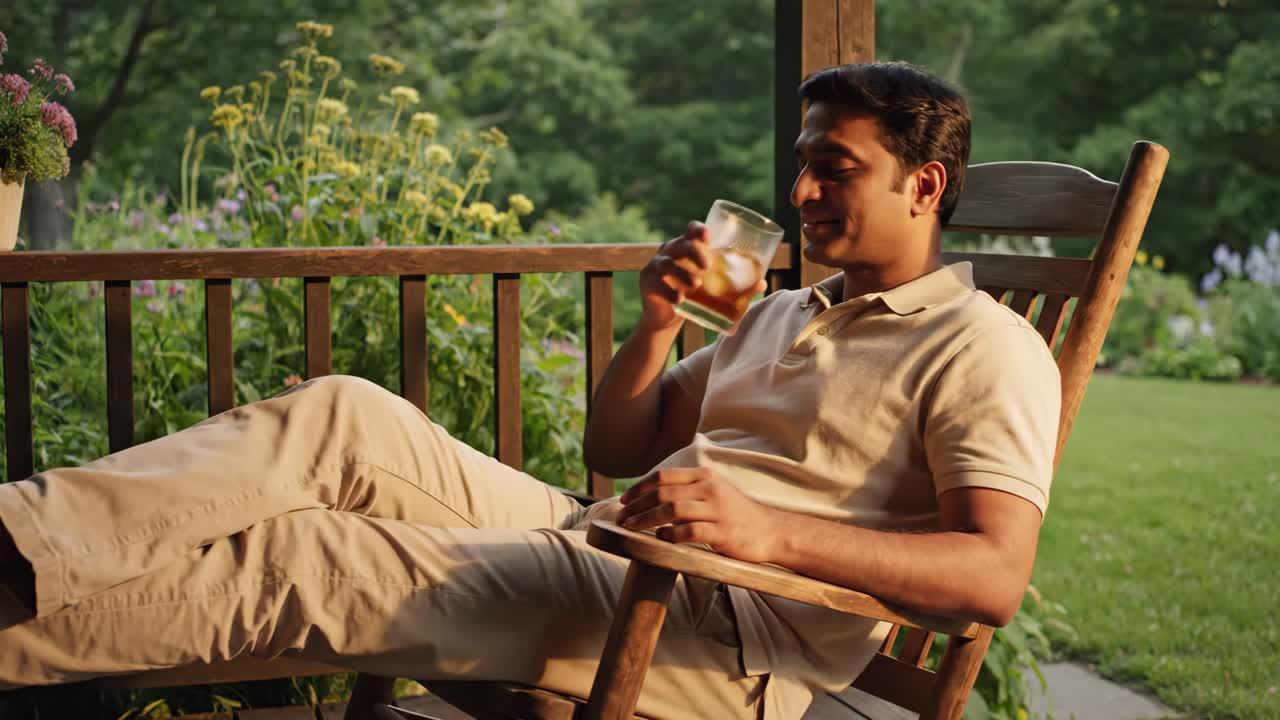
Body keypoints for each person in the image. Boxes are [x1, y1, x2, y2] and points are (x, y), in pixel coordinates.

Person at [0, 62, 1059, 720]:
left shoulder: (984, 348)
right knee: (344, 412)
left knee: (309, 557)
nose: (798, 191)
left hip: (721, 634)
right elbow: (619, 440)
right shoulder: (788, 310)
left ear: (922, 186)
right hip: (605, 539)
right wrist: (653, 324)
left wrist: (768, 532)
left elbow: (989, 579)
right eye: (800, 164)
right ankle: (14, 540)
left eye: (834, 167)